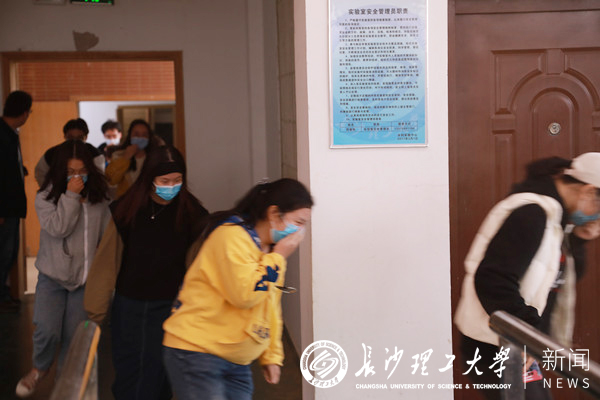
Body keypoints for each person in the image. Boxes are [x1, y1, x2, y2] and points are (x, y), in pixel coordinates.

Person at [454, 154, 600, 400]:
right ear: (588, 192)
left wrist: (579, 238)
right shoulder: (532, 213)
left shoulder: (555, 220)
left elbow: (556, 278)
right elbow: (493, 279)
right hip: (496, 346)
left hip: (515, 345)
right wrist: (526, 333)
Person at [162, 178, 314, 400]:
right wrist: (279, 257)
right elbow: (245, 295)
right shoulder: (232, 237)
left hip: (236, 360)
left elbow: (270, 305)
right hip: (198, 352)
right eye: (298, 222)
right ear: (274, 214)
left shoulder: (269, 252)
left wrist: (271, 355)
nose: (300, 233)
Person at [84, 145, 208, 400]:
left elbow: (198, 267)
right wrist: (95, 313)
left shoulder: (193, 214)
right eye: (164, 181)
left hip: (173, 307)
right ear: (149, 179)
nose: (171, 186)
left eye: (177, 180)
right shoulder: (125, 210)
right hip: (132, 307)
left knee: (162, 375)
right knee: (133, 376)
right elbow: (106, 264)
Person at [15, 140, 111, 398]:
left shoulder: (100, 198)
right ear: (60, 172)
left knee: (74, 339)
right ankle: (39, 369)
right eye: (70, 172)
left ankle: (65, 388)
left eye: (82, 171)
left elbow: (105, 238)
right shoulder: (45, 197)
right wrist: (70, 196)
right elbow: (59, 228)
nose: (77, 177)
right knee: (46, 330)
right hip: (52, 278)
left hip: (85, 281)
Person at [0, 90, 32, 313]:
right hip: (4, 208)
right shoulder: (2, 134)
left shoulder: (10, 133)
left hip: (12, 206)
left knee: (9, 253)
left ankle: (4, 295)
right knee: (4, 253)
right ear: (23, 112)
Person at [34, 118, 105, 187]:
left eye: (79, 138)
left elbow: (99, 179)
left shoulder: (95, 154)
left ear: (86, 137)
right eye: (70, 138)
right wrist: (53, 190)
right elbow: (40, 174)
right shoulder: (52, 153)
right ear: (65, 136)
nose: (74, 141)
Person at [105, 119, 163, 199]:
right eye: (136, 134)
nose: (140, 138)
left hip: (148, 201)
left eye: (144, 135)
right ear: (130, 136)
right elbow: (111, 180)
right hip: (125, 201)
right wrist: (126, 157)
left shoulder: (155, 157)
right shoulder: (118, 155)